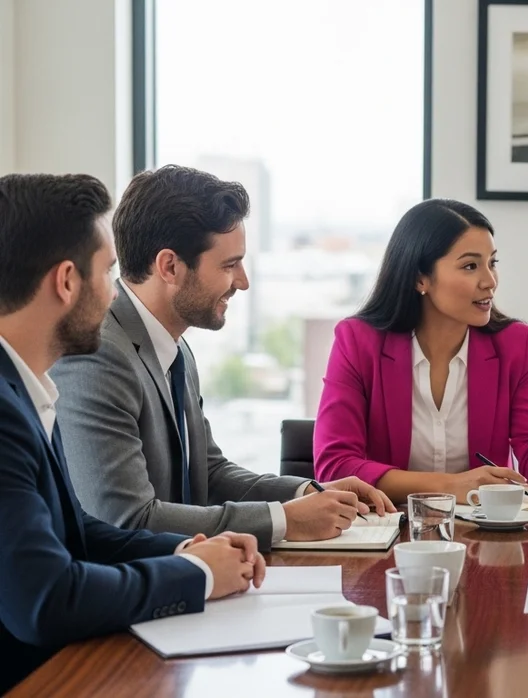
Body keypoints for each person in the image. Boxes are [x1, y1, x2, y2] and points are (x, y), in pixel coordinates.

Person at [0, 173, 266, 692]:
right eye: (109, 273)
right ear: (66, 282)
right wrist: (198, 575)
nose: (117, 292)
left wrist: (187, 551)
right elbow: (46, 600)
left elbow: (78, 533)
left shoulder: (25, 391)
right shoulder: (5, 411)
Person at [52, 165, 394, 552]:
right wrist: (285, 521)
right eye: (229, 265)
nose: (243, 281)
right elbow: (129, 519)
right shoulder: (98, 354)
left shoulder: (174, 346)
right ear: (170, 266)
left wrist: (310, 491)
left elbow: (209, 473)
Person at [313, 199, 528, 501]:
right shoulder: (359, 342)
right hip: (388, 537)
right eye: (470, 266)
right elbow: (335, 470)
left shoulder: (516, 345)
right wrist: (450, 486)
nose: (490, 280)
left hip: (484, 544)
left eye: (492, 262)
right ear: (420, 279)